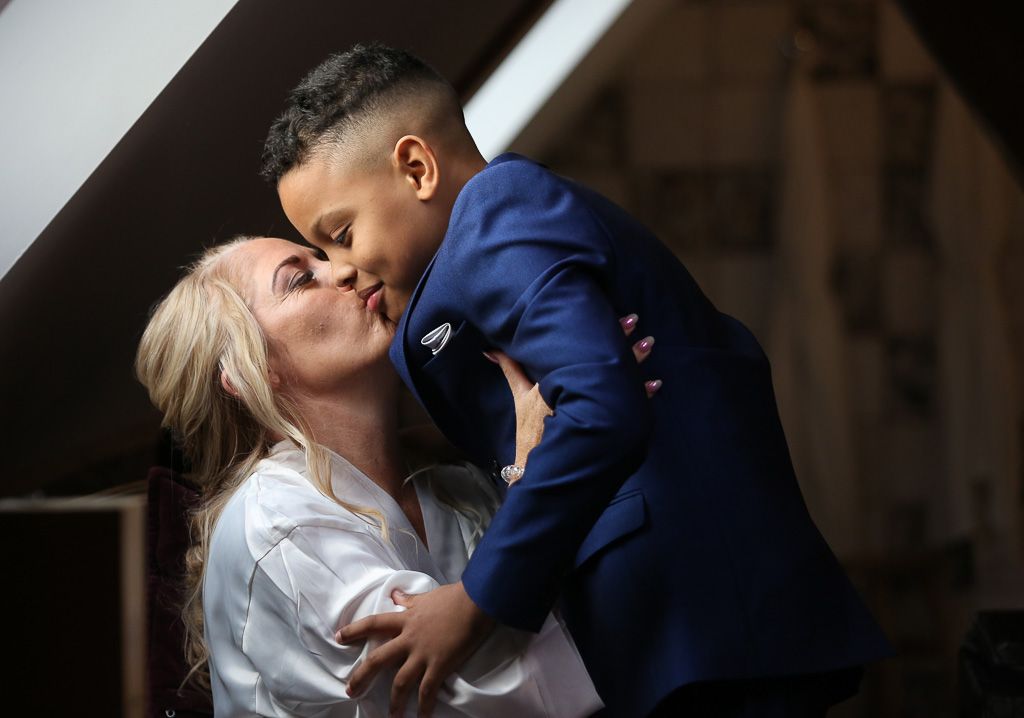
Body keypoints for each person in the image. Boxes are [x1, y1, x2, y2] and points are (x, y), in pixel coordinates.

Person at [260, 44, 893, 717]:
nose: (341, 269)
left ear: (417, 168)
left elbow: (600, 409)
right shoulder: (478, 244)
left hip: (696, 606)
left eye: (342, 234)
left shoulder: (498, 217)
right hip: (686, 617)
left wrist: (476, 601)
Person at [136, 236, 660, 716]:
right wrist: (541, 471)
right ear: (251, 370)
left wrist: (588, 390)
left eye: (324, 255)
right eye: (299, 278)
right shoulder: (275, 523)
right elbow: (473, 701)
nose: (345, 270)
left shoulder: (459, 492)